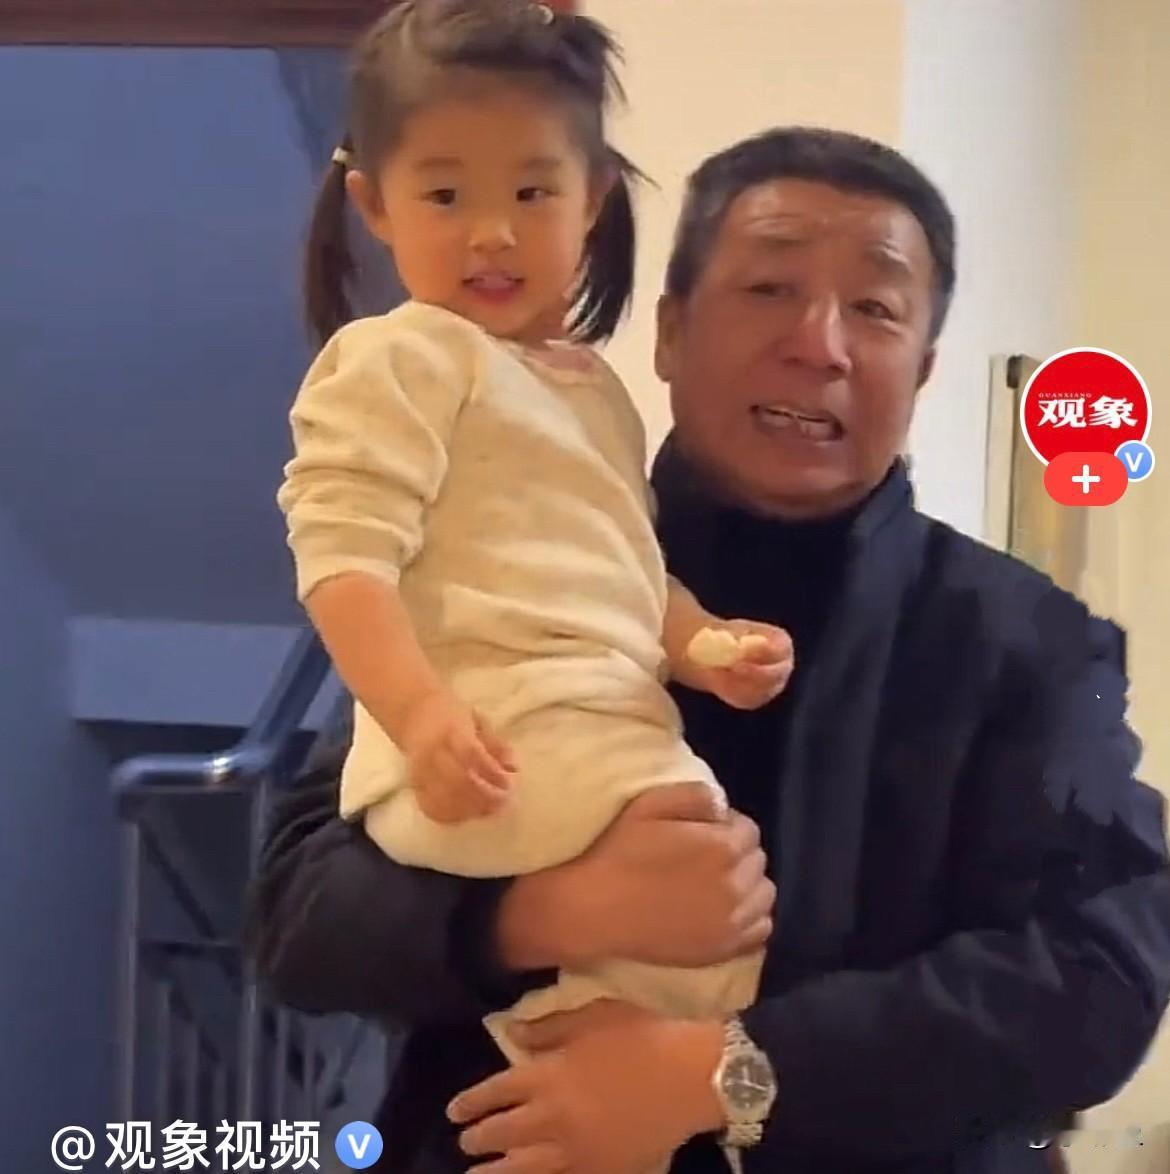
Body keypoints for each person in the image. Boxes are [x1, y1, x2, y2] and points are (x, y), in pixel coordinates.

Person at [248, 125, 1170, 1174]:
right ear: (671, 331)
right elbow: (297, 915)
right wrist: (538, 915)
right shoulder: (502, 552)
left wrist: (722, 1072)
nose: (820, 344)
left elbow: (1104, 968)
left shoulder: (1024, 638)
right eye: (770, 288)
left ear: (921, 369)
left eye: (874, 308)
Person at [275, 3, 790, 1165]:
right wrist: (419, 713)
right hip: (485, 749)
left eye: (532, 191)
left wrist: (703, 643)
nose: (493, 233)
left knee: (709, 907)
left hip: (582, 724)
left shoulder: (588, 391)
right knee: (694, 857)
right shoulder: (398, 355)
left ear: (593, 196)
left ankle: (597, 1085)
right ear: (374, 205)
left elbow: (628, 573)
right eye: (446, 195)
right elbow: (341, 557)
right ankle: (599, 1072)